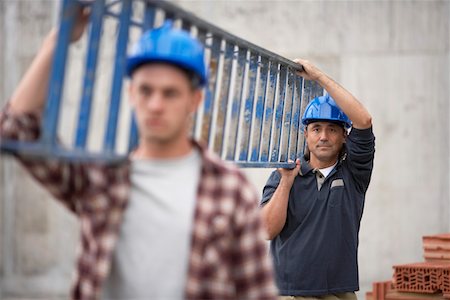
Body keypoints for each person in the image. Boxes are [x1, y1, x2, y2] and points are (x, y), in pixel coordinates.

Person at [0, 7, 277, 300]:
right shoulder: (102, 178)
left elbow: (255, 292)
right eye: (146, 91)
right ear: (131, 94)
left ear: (195, 100)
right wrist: (59, 38)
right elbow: (16, 130)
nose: (156, 104)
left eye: (170, 93)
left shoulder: (229, 189)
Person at [261, 59, 375, 300]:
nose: (323, 136)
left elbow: (363, 121)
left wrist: (320, 78)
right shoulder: (282, 175)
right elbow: (266, 230)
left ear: (344, 135)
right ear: (306, 134)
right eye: (316, 128)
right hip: (291, 292)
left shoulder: (353, 174)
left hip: (340, 291)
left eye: (332, 129)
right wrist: (286, 182)